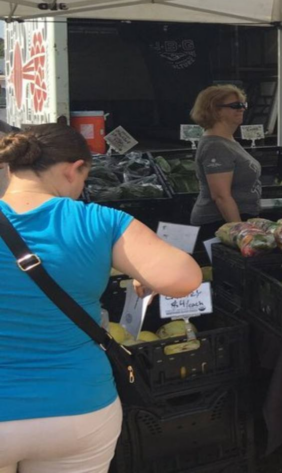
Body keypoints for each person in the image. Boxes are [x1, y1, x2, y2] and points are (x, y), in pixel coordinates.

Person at [0, 124, 202, 473]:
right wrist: (143, 273)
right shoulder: (100, 220)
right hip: (77, 408)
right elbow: (184, 278)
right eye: (83, 179)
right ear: (73, 168)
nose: (80, 190)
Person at [189, 85, 262, 236]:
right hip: (218, 224)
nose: (241, 109)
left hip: (233, 222)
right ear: (214, 111)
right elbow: (221, 197)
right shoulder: (215, 146)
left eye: (243, 105)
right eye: (235, 105)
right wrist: (242, 234)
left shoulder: (227, 140)